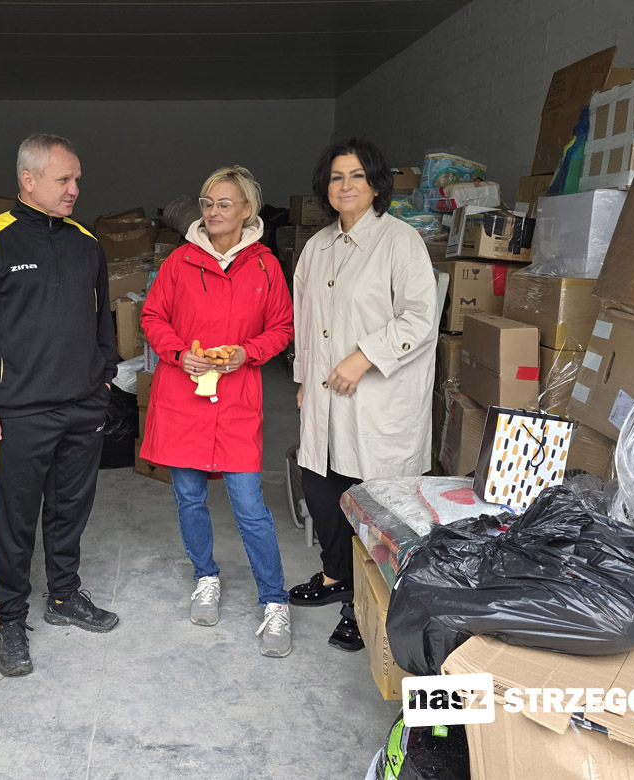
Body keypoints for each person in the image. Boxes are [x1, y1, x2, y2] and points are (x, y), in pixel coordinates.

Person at [0, 134, 120, 678]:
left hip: (81, 407)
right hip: (17, 411)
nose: (75, 190)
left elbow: (102, 321)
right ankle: (12, 620)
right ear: (29, 180)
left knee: (70, 511)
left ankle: (65, 597)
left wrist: (103, 378)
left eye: (77, 180)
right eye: (64, 180)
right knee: (17, 521)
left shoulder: (86, 241)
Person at [288, 138, 437, 652]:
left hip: (377, 399)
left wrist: (363, 356)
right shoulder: (317, 247)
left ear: (375, 184)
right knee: (321, 486)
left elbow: (421, 317)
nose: (345, 186)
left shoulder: (399, 241)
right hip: (325, 395)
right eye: (335, 177)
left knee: (369, 502)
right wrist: (304, 378)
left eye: (355, 176)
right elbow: (304, 321)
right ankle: (335, 577)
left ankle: (367, 602)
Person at [141, 165, 295, 657]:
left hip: (235, 399)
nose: (212, 212)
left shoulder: (267, 266)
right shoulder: (179, 262)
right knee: (188, 496)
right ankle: (205, 575)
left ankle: (274, 602)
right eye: (207, 203)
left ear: (247, 210)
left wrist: (246, 354)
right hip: (184, 394)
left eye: (223, 203)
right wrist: (176, 351)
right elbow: (152, 316)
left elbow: (283, 327)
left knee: (249, 505)